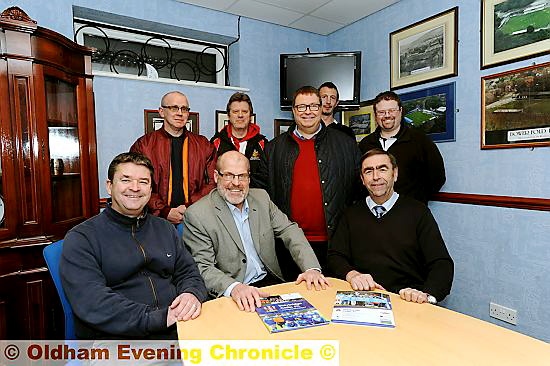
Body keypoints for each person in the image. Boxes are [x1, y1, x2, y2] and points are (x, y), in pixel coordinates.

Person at [60, 152, 207, 339]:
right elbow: (93, 302)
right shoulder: (82, 238)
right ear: (109, 186)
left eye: (143, 182)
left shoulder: (165, 228)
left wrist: (191, 294)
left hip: (178, 327)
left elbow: (189, 272)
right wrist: (159, 318)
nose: (135, 188)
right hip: (117, 339)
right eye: (126, 180)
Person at [183, 151, 329, 312]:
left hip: (269, 283)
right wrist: (234, 288)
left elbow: (289, 230)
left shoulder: (261, 198)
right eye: (229, 175)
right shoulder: (197, 214)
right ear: (217, 176)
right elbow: (203, 266)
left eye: (242, 176)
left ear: (249, 178)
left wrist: (311, 269)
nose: (236, 183)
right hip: (231, 291)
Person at [327, 148, 453, 304]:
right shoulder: (350, 214)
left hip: (407, 299)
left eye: (382, 169)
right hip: (363, 297)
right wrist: (352, 274)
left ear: (395, 173)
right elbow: (335, 256)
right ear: (362, 179)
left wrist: (426, 294)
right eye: (368, 171)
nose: (375, 177)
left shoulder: (418, 212)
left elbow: (441, 263)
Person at [266, 86, 361, 276]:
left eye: (313, 106)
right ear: (293, 111)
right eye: (301, 107)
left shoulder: (346, 144)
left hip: (334, 245)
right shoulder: (273, 148)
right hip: (289, 245)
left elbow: (358, 190)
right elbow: (263, 194)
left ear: (321, 108)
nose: (307, 111)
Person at [130, 91, 216, 224]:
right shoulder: (144, 145)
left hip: (195, 219)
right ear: (161, 112)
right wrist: (164, 211)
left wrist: (189, 207)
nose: (180, 113)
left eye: (184, 109)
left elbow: (213, 182)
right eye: (174, 108)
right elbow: (137, 184)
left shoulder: (204, 145)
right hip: (154, 220)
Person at [358, 90, 445, 204]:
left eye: (392, 110)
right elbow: (359, 179)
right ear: (375, 115)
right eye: (382, 112)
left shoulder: (421, 141)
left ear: (400, 111)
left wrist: (416, 201)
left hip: (410, 214)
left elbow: (437, 177)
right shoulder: (365, 144)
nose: (387, 115)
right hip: (373, 212)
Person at [211, 92, 268, 189]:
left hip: (254, 198)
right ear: (228, 116)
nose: (240, 115)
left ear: (250, 116)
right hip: (224, 199)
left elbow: (267, 178)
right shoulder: (216, 143)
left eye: (245, 111)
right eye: (235, 111)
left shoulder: (262, 144)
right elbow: (211, 177)